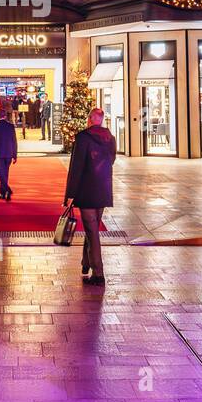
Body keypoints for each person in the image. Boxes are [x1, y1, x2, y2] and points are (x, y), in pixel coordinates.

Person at [63, 107, 115, 286]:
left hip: (86, 189)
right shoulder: (110, 138)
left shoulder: (83, 138)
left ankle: (98, 272)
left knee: (92, 231)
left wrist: (70, 194)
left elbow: (76, 168)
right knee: (91, 228)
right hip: (103, 188)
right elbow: (111, 161)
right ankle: (86, 263)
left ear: (90, 119)